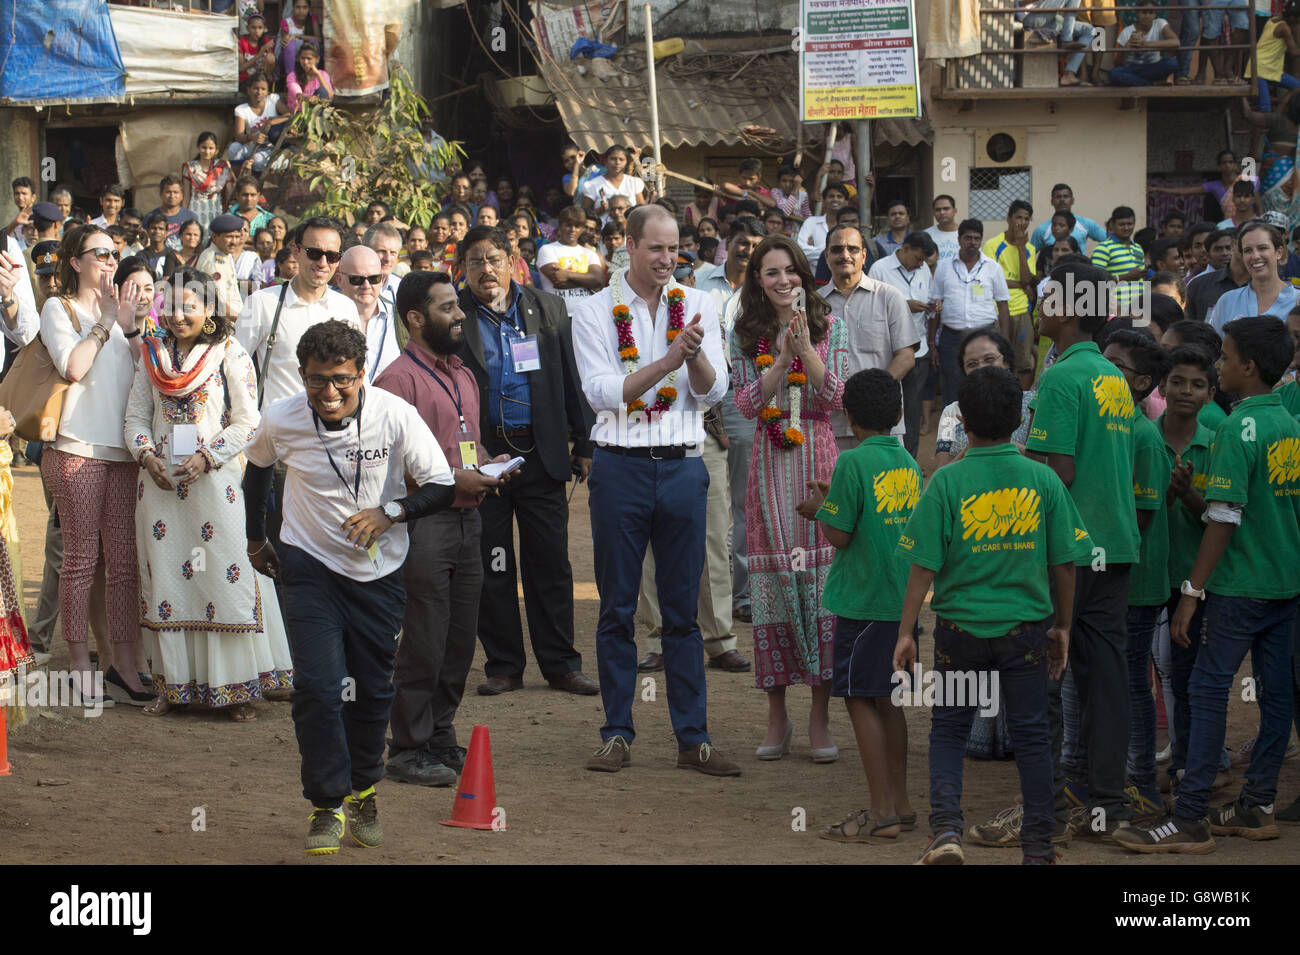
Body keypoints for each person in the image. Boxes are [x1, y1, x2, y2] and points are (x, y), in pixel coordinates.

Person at [243, 319, 455, 854]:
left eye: (341, 379)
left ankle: (363, 788)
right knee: (317, 688)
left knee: (371, 689)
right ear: (302, 376)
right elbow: (256, 471)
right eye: (317, 380)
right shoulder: (282, 417)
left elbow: (441, 485)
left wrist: (389, 513)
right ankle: (325, 803)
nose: (330, 392)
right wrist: (255, 540)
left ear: (361, 373)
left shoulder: (394, 414)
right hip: (308, 567)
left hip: (378, 575)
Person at [969, 260, 1140, 848]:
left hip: (1069, 551)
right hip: (1113, 545)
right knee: (1105, 680)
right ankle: (1103, 804)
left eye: (1045, 296)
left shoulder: (1064, 378)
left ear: (1068, 307)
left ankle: (1042, 806)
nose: (1036, 305)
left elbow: (1056, 471)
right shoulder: (1110, 376)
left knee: (1041, 680)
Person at [1116, 317, 1300, 853]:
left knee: (1204, 688)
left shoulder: (1240, 430)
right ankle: (1258, 803)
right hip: (1286, 583)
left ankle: (1191, 815)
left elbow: (1223, 517)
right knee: (1276, 692)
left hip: (1240, 586)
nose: (1218, 367)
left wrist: (1192, 593)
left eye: (1225, 359)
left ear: (1245, 367)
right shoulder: (1289, 424)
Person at [570, 204, 740, 776]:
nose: (668, 259)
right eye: (657, 248)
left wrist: (690, 362)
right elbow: (602, 393)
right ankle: (617, 731)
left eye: (675, 249)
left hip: (684, 467)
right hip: (619, 468)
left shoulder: (699, 304)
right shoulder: (593, 311)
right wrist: (670, 357)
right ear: (630, 245)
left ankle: (694, 738)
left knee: (682, 612)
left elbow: (713, 394)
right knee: (616, 607)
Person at [896, 366, 1089, 866]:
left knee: (949, 730)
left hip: (960, 632)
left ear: (962, 422)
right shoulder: (1043, 479)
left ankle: (945, 834)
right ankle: (1039, 849)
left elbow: (922, 568)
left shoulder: (945, 482)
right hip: (1026, 632)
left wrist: (906, 632)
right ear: (1022, 418)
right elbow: (1065, 564)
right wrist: (1063, 627)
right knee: (1032, 737)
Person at [124, 266, 292, 721]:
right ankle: (172, 684)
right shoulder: (151, 356)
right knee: (166, 577)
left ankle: (233, 688)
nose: (179, 316)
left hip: (215, 486)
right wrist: (146, 457)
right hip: (160, 487)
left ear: (210, 309)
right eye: (172, 306)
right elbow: (136, 418)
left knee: (222, 573)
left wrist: (207, 456)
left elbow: (247, 421)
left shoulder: (229, 353)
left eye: (190, 307)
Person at [376, 270, 511, 785]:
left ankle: (439, 735)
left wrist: (488, 466)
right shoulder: (396, 380)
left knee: (460, 636)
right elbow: (390, 464)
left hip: (468, 519)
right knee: (425, 639)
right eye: (447, 308)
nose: (460, 315)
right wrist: (459, 477)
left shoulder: (462, 374)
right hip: (423, 523)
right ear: (415, 318)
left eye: (458, 306)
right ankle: (406, 748)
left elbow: (463, 442)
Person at [452, 226, 598, 696]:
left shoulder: (548, 308)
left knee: (550, 564)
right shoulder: (454, 314)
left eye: (493, 258)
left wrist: (585, 443)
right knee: (492, 565)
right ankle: (503, 666)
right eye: (475, 261)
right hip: (484, 460)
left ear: (513, 258)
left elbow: (571, 378)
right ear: (463, 268)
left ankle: (561, 665)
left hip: (541, 456)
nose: (485, 269)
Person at [730, 234, 848, 762]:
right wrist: (779, 361)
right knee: (774, 585)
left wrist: (804, 351)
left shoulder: (829, 325)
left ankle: (820, 719)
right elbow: (747, 402)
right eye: (771, 272)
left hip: (817, 461)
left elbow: (838, 397)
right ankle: (777, 718)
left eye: (791, 271)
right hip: (767, 467)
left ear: (804, 274)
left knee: (822, 587)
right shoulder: (745, 333)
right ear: (758, 279)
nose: (783, 281)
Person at [40, 225, 152, 705]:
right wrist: (105, 321)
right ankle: (80, 662)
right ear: (75, 262)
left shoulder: (124, 312)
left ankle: (124, 664)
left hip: (124, 450)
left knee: (125, 564)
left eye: (114, 253)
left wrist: (129, 325)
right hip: (75, 448)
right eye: (99, 253)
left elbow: (145, 371)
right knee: (81, 561)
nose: (109, 260)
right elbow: (73, 367)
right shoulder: (58, 308)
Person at [810, 369, 920, 840]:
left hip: (862, 604)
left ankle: (880, 813)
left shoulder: (851, 464)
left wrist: (819, 508)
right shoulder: (909, 462)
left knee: (859, 700)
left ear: (848, 417)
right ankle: (900, 801)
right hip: (900, 606)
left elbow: (840, 532)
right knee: (889, 701)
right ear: (898, 414)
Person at [1101, 328, 1173, 823]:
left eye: (1116, 367)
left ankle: (1144, 783)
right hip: (1112, 578)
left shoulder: (1143, 436)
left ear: (1143, 382)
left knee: (1130, 682)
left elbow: (1141, 517)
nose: (1105, 373)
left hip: (1137, 581)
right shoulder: (1109, 425)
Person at [1149, 344, 1217, 798]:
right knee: (1152, 672)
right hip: (1148, 576)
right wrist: (1168, 496)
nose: (1185, 391)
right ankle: (1154, 765)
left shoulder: (1217, 441)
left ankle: (1192, 767)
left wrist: (1188, 495)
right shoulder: (1143, 438)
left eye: (1196, 384)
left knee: (1192, 676)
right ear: (1162, 386)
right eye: (1177, 382)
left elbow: (1223, 518)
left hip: (1195, 579)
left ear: (1210, 393)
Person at [696, 219, 766, 622]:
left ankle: (741, 596)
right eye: (741, 242)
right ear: (727, 244)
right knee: (707, 505)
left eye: (754, 244)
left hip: (744, 402)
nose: (747, 249)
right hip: (702, 402)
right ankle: (702, 596)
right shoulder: (702, 285)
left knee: (742, 500)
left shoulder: (763, 292)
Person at [929, 218, 1012, 410]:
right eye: (968, 238)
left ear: (981, 240)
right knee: (952, 388)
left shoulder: (993, 267)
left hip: (986, 336)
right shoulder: (943, 267)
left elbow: (1003, 305)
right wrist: (932, 342)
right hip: (952, 338)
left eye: (976, 238)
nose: (972, 243)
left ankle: (985, 432)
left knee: (988, 386)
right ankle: (951, 434)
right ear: (959, 239)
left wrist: (1005, 339)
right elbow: (936, 305)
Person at [867, 231, 936, 456]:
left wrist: (934, 305)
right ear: (905, 248)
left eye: (923, 260)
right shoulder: (879, 269)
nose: (920, 264)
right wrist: (905, 305)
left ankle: (911, 460)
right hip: (890, 352)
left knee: (912, 412)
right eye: (917, 258)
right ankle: (888, 459)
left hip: (919, 350)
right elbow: (873, 307)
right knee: (887, 408)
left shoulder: (924, 268)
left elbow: (930, 295)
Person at [984, 201, 1039, 389]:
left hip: (1022, 311)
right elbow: (991, 280)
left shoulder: (1029, 249)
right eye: (1018, 217)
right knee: (999, 359)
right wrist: (1021, 285)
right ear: (1008, 219)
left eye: (1026, 219)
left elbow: (1027, 279)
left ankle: (1022, 404)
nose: (1021, 223)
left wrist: (1020, 247)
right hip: (999, 311)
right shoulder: (993, 245)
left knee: (1024, 362)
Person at [1208, 220, 1297, 332]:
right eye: (1248, 250)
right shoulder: (1227, 301)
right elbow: (1214, 346)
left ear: (1279, 252)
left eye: (1262, 248)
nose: (1255, 256)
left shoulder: (1296, 301)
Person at [336, 245, 399, 383]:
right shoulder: (327, 318)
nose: (366, 285)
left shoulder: (400, 319)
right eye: (357, 279)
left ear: (382, 280)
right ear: (339, 280)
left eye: (374, 279)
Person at [536, 206, 605, 299]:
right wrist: (589, 281)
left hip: (584, 310)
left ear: (582, 229)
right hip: (557, 311)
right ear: (560, 226)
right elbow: (558, 280)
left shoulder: (590, 254)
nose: (572, 229)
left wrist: (566, 274)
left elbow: (599, 280)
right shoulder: (547, 249)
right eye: (568, 225)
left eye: (577, 226)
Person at [1090, 205, 1146, 313]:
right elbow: (1096, 280)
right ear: (1112, 225)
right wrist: (1126, 277)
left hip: (1138, 308)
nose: (1126, 228)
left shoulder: (1138, 248)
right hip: (1114, 310)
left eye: (1129, 224)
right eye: (1121, 224)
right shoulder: (1103, 248)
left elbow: (1141, 279)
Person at [1185, 228, 1246, 323]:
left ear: (1235, 247)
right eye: (1218, 249)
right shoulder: (1197, 284)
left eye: (1228, 248)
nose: (1225, 253)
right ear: (1207, 255)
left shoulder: (1256, 281)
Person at [1030, 184, 1112, 251]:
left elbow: (1110, 241)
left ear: (1072, 200)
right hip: (1055, 271)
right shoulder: (1041, 230)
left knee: (1070, 272)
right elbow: (1030, 256)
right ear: (1052, 201)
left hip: (1077, 271)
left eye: (1066, 196)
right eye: (1058, 197)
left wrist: (1093, 261)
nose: (1062, 200)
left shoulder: (1086, 224)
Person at [1109, 7, 1178, 86]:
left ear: (1155, 14)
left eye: (1151, 12)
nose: (1147, 16)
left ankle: (1137, 81)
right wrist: (1125, 50)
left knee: (1172, 63)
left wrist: (1145, 44)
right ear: (1138, 13)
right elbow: (1117, 64)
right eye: (1144, 12)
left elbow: (1176, 42)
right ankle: (1152, 84)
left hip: (1152, 69)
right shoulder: (1127, 31)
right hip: (1132, 69)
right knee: (1113, 73)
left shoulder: (1159, 23)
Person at [182, 133, 234, 234]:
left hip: (215, 209)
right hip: (195, 209)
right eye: (204, 147)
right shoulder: (189, 167)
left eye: (211, 148)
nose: (207, 151)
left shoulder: (222, 167)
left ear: (216, 149)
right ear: (198, 147)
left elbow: (229, 194)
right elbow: (186, 196)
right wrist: (183, 215)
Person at [797, 183, 849, 264]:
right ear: (824, 201)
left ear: (846, 202)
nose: (835, 199)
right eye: (831, 196)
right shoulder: (810, 222)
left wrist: (815, 249)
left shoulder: (850, 226)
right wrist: (837, 250)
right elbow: (800, 252)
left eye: (839, 196)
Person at [147, 176, 199, 254]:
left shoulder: (191, 217)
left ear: (182, 195)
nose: (172, 196)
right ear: (161, 194)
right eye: (168, 192)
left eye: (176, 192)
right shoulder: (150, 217)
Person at [275, 0, 321, 82]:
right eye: (298, 7)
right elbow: (285, 44)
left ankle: (312, 76)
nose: (301, 11)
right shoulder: (286, 23)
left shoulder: (312, 19)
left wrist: (298, 36)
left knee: (315, 43)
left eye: (304, 7)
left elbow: (318, 39)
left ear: (309, 9)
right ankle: (290, 79)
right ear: (293, 8)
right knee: (290, 44)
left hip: (305, 59)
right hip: (287, 60)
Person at [286, 40, 333, 113]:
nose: (305, 62)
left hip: (317, 114)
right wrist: (312, 99)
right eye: (302, 58)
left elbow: (330, 95)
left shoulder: (323, 74)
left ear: (317, 59)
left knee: (322, 91)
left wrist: (317, 74)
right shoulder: (292, 76)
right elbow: (299, 96)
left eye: (309, 59)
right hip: (299, 114)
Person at [238, 11, 276, 84]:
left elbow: (271, 62)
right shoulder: (242, 42)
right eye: (253, 27)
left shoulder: (266, 41)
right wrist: (260, 53)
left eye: (260, 28)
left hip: (262, 80)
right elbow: (241, 68)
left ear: (264, 29)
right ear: (247, 28)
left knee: (270, 57)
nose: (256, 31)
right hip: (247, 80)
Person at [925, 194, 961, 262]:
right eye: (938, 210)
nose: (942, 212)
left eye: (946, 209)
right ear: (933, 213)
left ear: (955, 211)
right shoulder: (926, 235)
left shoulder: (966, 235)